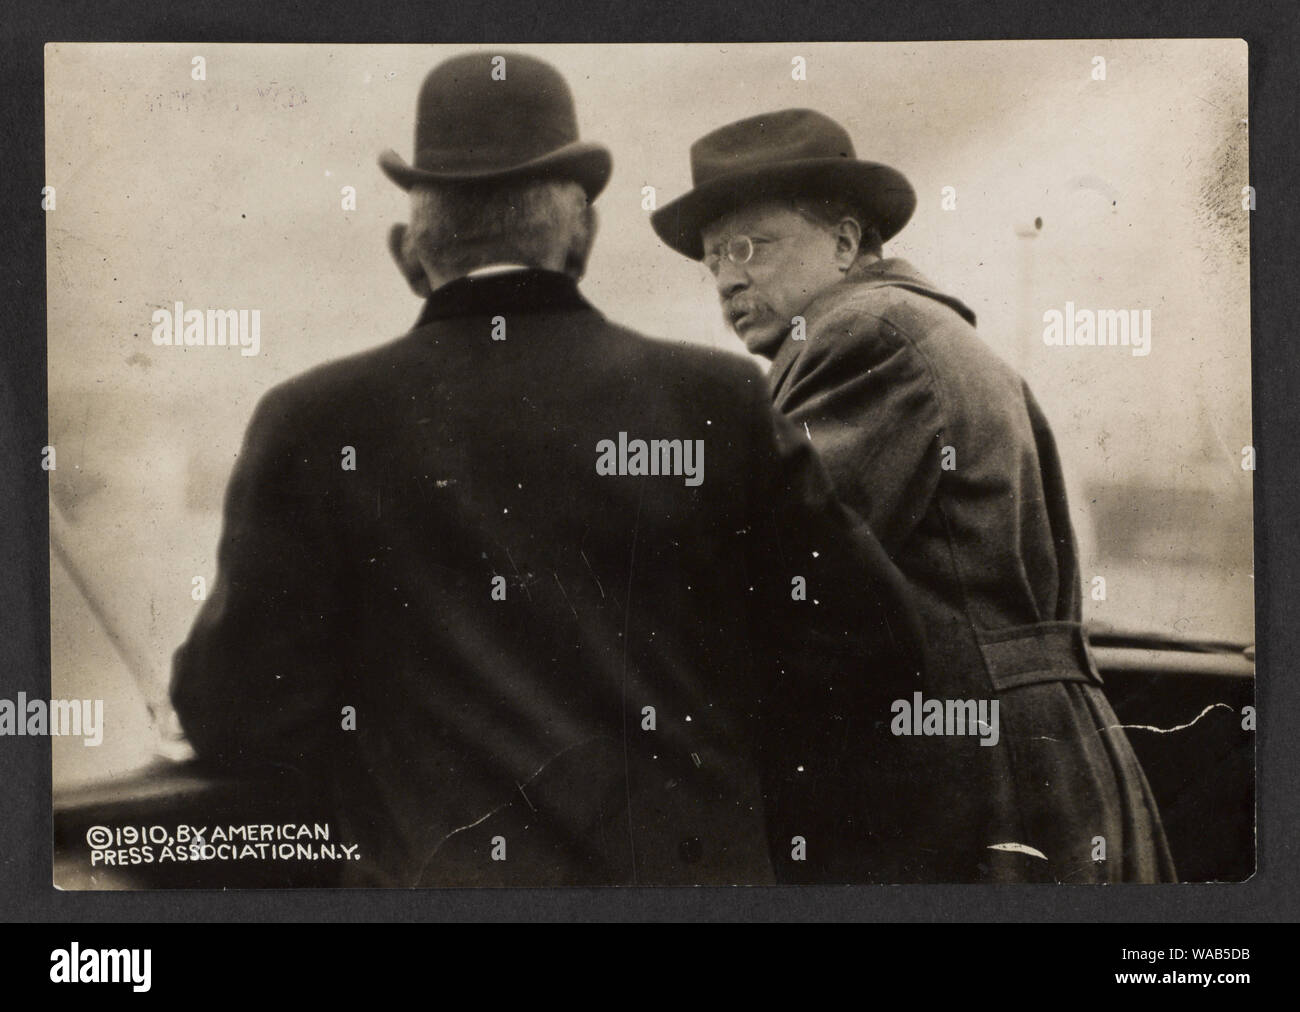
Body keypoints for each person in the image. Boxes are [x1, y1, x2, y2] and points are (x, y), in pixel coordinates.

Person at [170, 56, 926, 887]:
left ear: (408, 252)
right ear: (583, 236)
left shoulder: (313, 421)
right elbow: (876, 646)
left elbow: (237, 711)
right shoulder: (718, 400)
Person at [652, 107, 1176, 883]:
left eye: (749, 245)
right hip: (1028, 761)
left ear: (844, 242)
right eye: (710, 259)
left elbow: (776, 570)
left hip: (981, 783)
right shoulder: (916, 328)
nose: (727, 277)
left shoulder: (866, 337)